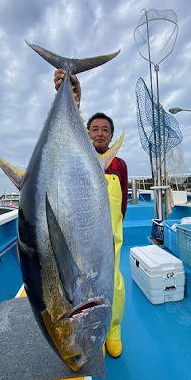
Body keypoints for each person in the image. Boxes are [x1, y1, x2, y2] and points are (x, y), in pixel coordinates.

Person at [54, 69, 127, 358]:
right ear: (86, 133)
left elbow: (124, 196)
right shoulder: (79, 155)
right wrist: (73, 93)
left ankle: (113, 329)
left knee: (113, 282)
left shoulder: (119, 163)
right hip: (83, 229)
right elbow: (66, 135)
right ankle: (83, 328)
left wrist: (118, 222)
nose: (99, 133)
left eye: (105, 130)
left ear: (111, 135)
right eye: (94, 129)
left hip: (111, 231)